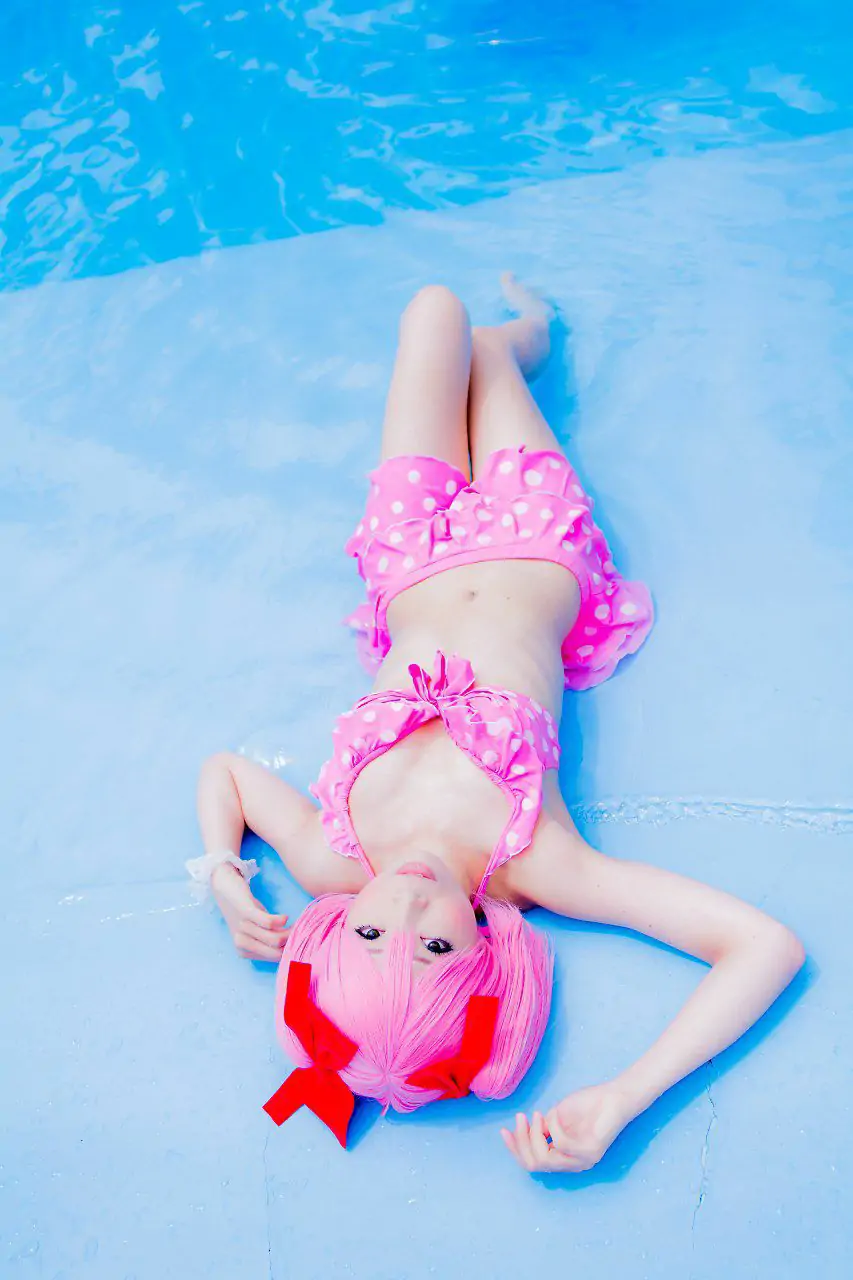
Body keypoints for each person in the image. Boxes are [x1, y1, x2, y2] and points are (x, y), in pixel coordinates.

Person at [191, 276, 805, 1173]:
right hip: (533, 536)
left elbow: (225, 772)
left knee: (432, 310)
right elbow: (764, 947)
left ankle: (510, 338)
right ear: (486, 955)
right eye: (436, 945)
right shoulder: (535, 864)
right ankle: (527, 335)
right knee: (477, 347)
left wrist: (220, 870)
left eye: (369, 936)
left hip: (410, 550)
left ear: (334, 933)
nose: (404, 905)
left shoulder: (333, 859)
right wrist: (623, 1098)